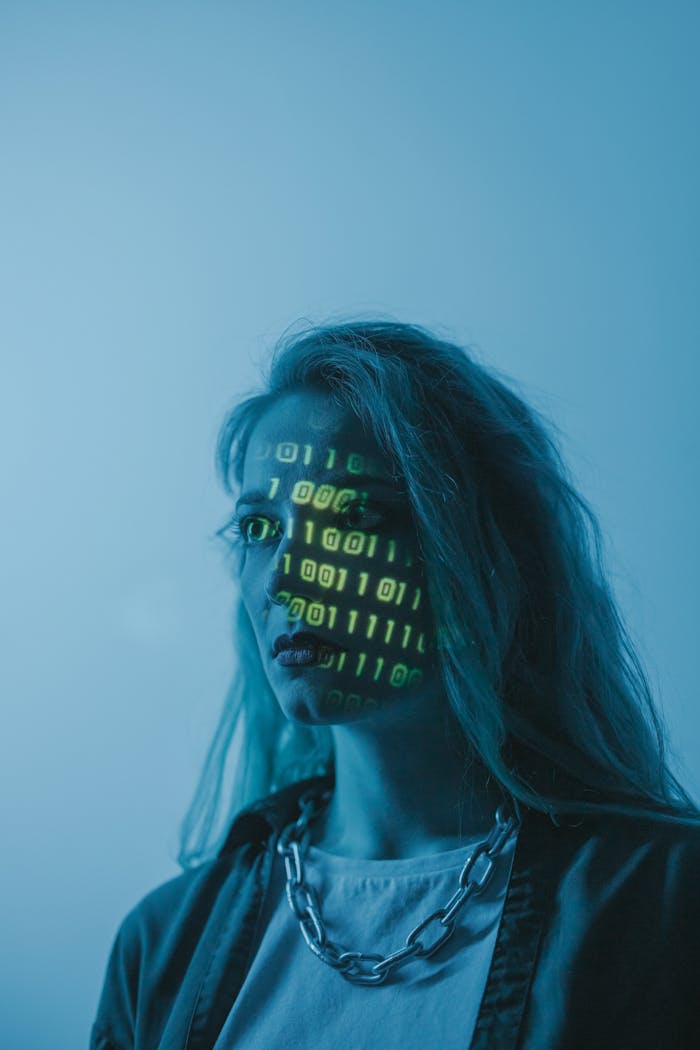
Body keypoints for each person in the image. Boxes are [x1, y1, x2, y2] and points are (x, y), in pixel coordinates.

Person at [91, 321, 700, 1050]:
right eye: (259, 528)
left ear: (487, 552)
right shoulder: (163, 947)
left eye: (353, 514)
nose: (287, 575)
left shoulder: (664, 902)